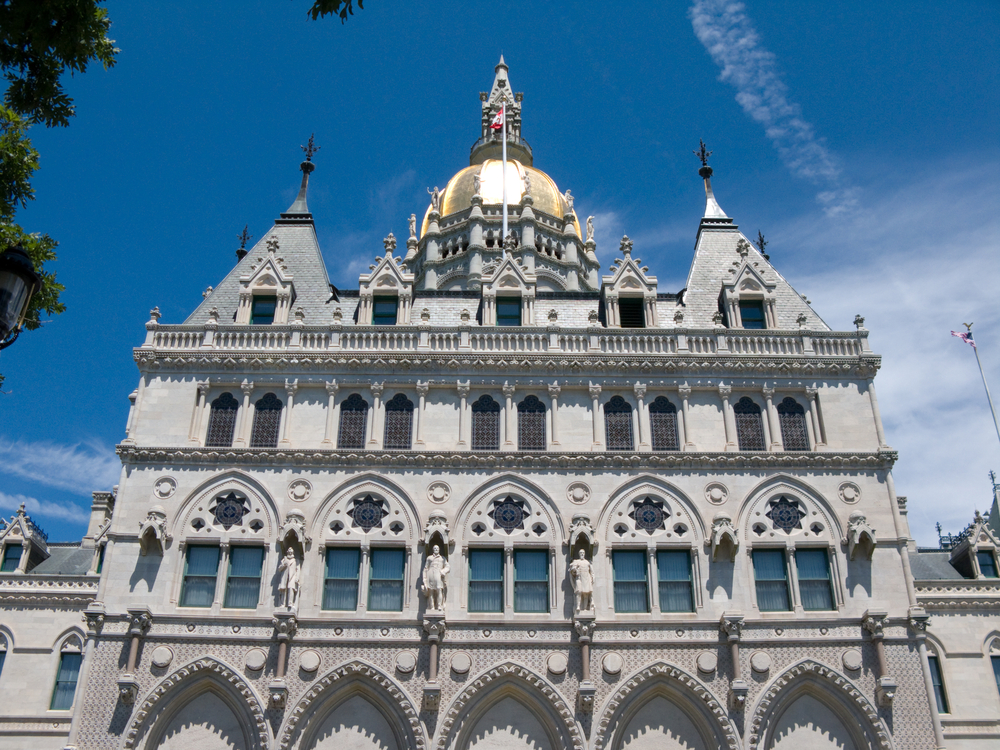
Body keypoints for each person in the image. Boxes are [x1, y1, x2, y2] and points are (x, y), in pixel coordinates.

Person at [422, 544, 450, 611]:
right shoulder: (429, 558)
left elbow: (448, 567)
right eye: (435, 548)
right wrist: (424, 579)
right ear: (433, 550)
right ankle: (432, 607)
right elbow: (426, 568)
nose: (436, 549)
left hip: (438, 574)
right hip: (430, 574)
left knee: (439, 589)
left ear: (439, 549)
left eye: (437, 548)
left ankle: (439, 606)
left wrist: (443, 571)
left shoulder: (442, 558)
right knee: (430, 591)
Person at [569, 548, 594, 613]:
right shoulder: (576, 561)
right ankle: (578, 606)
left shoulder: (587, 562)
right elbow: (572, 569)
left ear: (584, 554)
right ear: (579, 554)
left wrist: (592, 578)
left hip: (586, 578)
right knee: (579, 592)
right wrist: (574, 570)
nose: (582, 554)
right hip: (579, 578)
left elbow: (591, 571)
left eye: (583, 553)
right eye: (580, 553)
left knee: (586, 593)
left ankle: (585, 608)